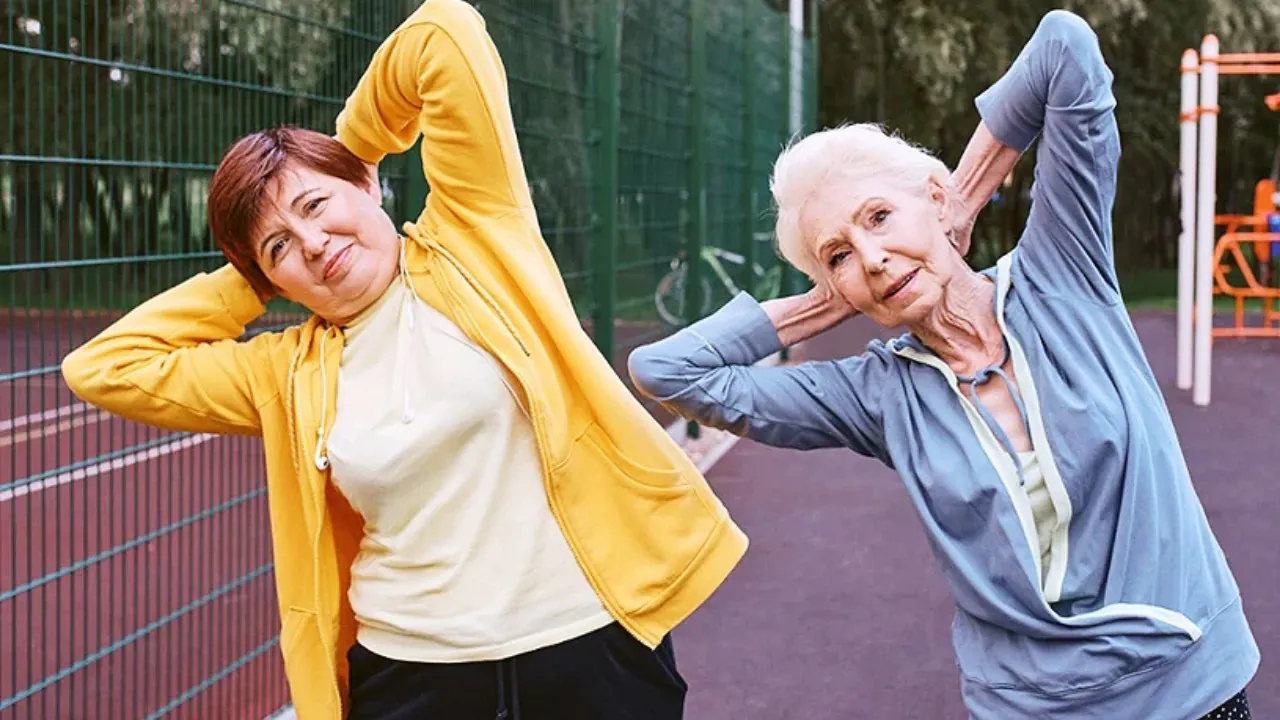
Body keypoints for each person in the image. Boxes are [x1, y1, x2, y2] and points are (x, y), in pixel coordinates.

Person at [61, 0, 748, 717]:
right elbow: (106, 367)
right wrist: (251, 282)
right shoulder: (283, 373)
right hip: (414, 677)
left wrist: (355, 146)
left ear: (366, 185)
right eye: (280, 246)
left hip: (588, 646)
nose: (314, 243)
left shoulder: (478, 240)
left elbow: (444, 32)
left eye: (317, 204)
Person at [629, 10, 1257, 720]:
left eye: (878, 218)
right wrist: (825, 303)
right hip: (1033, 709)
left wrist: (962, 198)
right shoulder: (877, 393)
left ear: (930, 200)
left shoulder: (1062, 273)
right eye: (838, 254)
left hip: (1191, 681)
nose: (870, 255)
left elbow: (1066, 48)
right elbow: (666, 371)